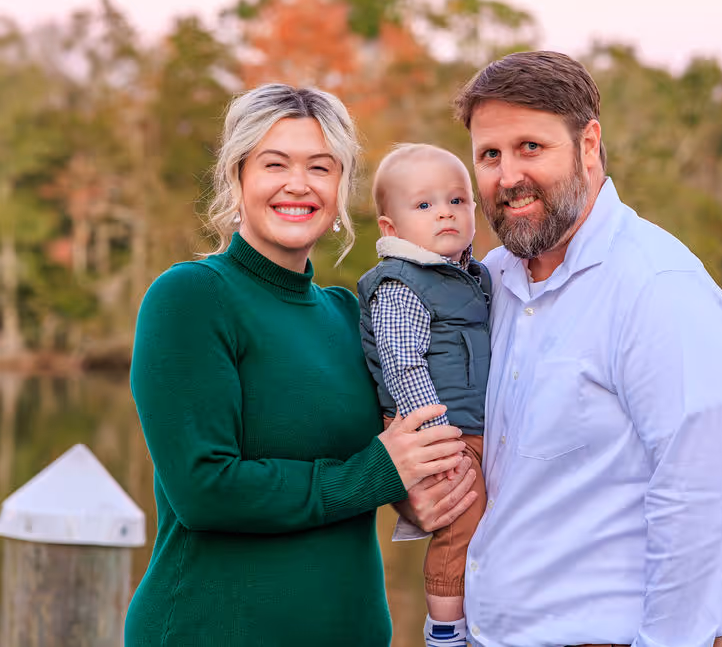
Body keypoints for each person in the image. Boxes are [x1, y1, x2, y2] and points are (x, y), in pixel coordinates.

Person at [400, 51, 722, 647]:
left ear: (588, 145)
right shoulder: (488, 282)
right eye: (490, 155)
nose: (507, 176)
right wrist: (417, 500)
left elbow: (698, 500)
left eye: (530, 147)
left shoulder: (657, 287)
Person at [126, 84, 467, 647]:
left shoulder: (349, 313)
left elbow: (381, 462)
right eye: (274, 163)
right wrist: (376, 475)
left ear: (339, 189)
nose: (298, 184)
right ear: (236, 178)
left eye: (320, 167)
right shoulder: (191, 297)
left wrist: (412, 491)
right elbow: (204, 490)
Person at [357, 143, 490, 647]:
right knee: (458, 524)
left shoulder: (474, 279)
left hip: (473, 427)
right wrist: (434, 433)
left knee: (485, 522)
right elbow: (402, 361)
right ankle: (444, 630)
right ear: (390, 230)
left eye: (457, 201)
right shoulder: (402, 284)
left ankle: (477, 617)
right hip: (438, 431)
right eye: (424, 205)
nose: (445, 213)